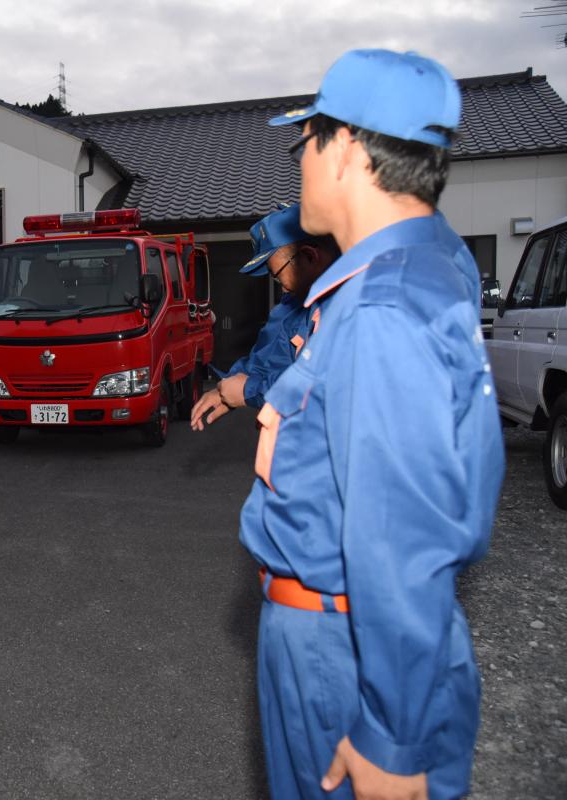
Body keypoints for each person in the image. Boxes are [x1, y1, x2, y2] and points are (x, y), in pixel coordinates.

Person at [240, 50, 504, 800]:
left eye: (306, 142)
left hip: (344, 652)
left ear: (348, 146)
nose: (299, 165)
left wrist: (392, 738)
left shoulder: (382, 308)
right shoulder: (427, 264)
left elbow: (399, 540)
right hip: (348, 634)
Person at [190, 203, 338, 431]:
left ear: (309, 256)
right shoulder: (302, 301)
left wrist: (249, 389)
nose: (283, 289)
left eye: (277, 275)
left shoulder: (347, 306)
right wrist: (230, 386)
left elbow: (322, 390)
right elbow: (274, 355)